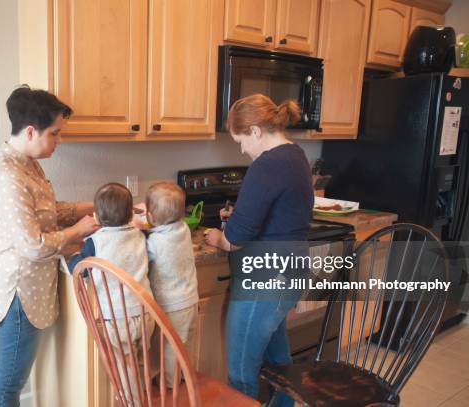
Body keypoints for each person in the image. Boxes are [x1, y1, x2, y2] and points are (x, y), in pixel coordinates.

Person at [0, 85, 99, 407]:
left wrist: (93, 207)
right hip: (19, 292)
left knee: (7, 373)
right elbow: (32, 244)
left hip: (29, 286)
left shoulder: (27, 163)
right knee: (9, 385)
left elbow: (47, 211)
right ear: (31, 131)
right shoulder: (9, 175)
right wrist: (78, 230)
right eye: (55, 133)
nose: (59, 141)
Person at [204, 94, 314, 404]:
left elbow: (234, 240)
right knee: (278, 367)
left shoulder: (267, 165)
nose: (242, 148)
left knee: (241, 373)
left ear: (255, 131)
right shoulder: (295, 155)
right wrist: (238, 216)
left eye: (241, 140)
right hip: (288, 275)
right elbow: (272, 213)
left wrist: (217, 236)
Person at [68, 183, 154, 405]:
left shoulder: (95, 243)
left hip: (116, 320)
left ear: (96, 216)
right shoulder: (139, 234)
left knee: (123, 365)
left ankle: (130, 400)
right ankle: (138, 392)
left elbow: (78, 269)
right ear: (130, 214)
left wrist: (75, 255)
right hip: (146, 315)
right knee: (136, 359)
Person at [145, 181, 198, 388]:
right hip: (190, 301)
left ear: (150, 217)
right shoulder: (183, 229)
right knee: (183, 346)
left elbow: (141, 251)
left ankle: (169, 387)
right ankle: (182, 378)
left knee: (169, 349)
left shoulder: (155, 243)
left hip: (172, 306)